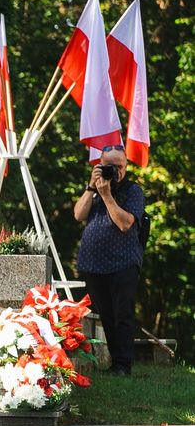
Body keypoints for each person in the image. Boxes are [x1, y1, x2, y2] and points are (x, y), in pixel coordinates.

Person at [73, 145, 144, 376]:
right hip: (94, 264)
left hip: (123, 262)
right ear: (100, 165)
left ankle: (123, 365)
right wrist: (90, 187)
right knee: (106, 314)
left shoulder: (133, 191)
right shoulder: (94, 188)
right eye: (109, 166)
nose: (115, 171)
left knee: (122, 313)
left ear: (126, 166)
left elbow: (124, 223)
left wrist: (106, 196)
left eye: (120, 166)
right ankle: (115, 363)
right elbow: (78, 215)